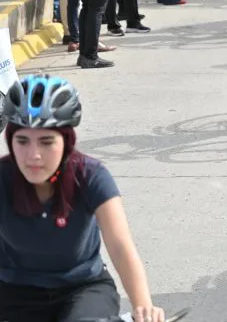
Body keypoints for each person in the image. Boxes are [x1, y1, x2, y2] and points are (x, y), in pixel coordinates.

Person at [0, 75, 169, 322]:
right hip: (14, 291)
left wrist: (144, 306)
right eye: (22, 141)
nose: (33, 155)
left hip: (82, 288)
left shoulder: (91, 175)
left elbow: (120, 246)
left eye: (47, 141)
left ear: (66, 142)